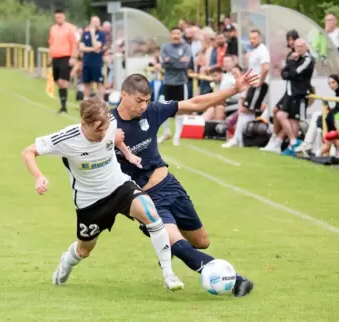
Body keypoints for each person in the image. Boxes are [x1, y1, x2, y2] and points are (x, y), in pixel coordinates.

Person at [111, 70, 259, 297]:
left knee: (201, 242)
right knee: (180, 244)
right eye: (139, 101)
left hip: (170, 186)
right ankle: (237, 281)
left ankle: (164, 244)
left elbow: (195, 103)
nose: (143, 106)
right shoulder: (109, 125)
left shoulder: (152, 112)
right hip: (144, 198)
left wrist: (233, 90)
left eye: (147, 101)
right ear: (123, 95)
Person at [21, 97, 184, 290]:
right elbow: (28, 152)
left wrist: (128, 154)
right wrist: (39, 177)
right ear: (84, 124)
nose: (103, 134)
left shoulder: (110, 123)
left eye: (105, 128)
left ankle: (169, 275)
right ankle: (67, 261)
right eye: (98, 130)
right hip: (90, 201)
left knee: (151, 215)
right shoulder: (66, 138)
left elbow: (114, 137)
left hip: (118, 185)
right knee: (84, 250)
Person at [48, 9, 78, 114]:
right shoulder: (53, 29)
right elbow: (51, 43)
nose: (58, 19)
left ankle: (63, 107)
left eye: (60, 17)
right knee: (57, 81)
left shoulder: (70, 29)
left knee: (62, 82)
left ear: (64, 17)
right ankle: (63, 102)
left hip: (65, 57)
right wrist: (49, 57)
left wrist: (73, 57)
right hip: (55, 57)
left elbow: (74, 43)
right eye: (56, 17)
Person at [79, 16, 106, 100]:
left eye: (97, 22)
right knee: (86, 83)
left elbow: (97, 46)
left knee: (99, 83)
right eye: (93, 22)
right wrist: (93, 49)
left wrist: (93, 34)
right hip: (86, 62)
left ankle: (101, 102)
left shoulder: (101, 34)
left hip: (97, 63)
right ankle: (85, 102)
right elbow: (81, 47)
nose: (95, 23)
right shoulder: (85, 34)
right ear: (90, 22)